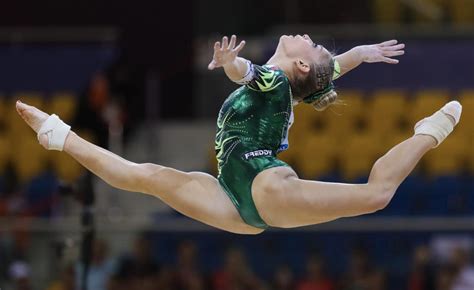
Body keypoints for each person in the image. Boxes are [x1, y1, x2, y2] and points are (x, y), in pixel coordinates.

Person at [15, 34, 462, 234]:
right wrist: (358, 54)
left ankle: (428, 132)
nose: (310, 37)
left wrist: (230, 64)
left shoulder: (276, 81)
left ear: (302, 64)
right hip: (231, 198)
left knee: (376, 196)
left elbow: (248, 73)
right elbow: (322, 71)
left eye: (315, 44)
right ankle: (58, 136)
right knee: (143, 175)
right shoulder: (289, 85)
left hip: (264, 185)